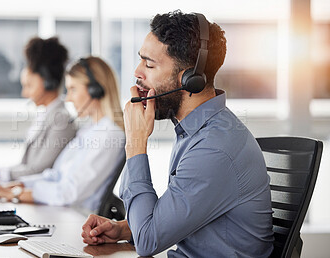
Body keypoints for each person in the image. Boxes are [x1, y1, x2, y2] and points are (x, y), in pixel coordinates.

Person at [81, 10, 274, 257]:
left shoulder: (214, 147)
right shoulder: (197, 131)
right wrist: (123, 229)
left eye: (149, 64)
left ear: (189, 79)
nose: (137, 73)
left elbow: (148, 242)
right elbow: (179, 215)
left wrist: (136, 143)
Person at [0, 56, 125, 212]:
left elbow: (70, 193)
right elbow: (55, 175)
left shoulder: (110, 135)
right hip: (61, 211)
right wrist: (21, 185)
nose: (68, 98)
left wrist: (19, 194)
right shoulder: (89, 130)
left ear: (95, 90)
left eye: (73, 89)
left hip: (77, 218)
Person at [0, 37, 76, 181]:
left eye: (29, 85)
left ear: (47, 81)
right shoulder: (45, 115)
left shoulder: (62, 120)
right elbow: (25, 165)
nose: (24, 93)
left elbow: (38, 170)